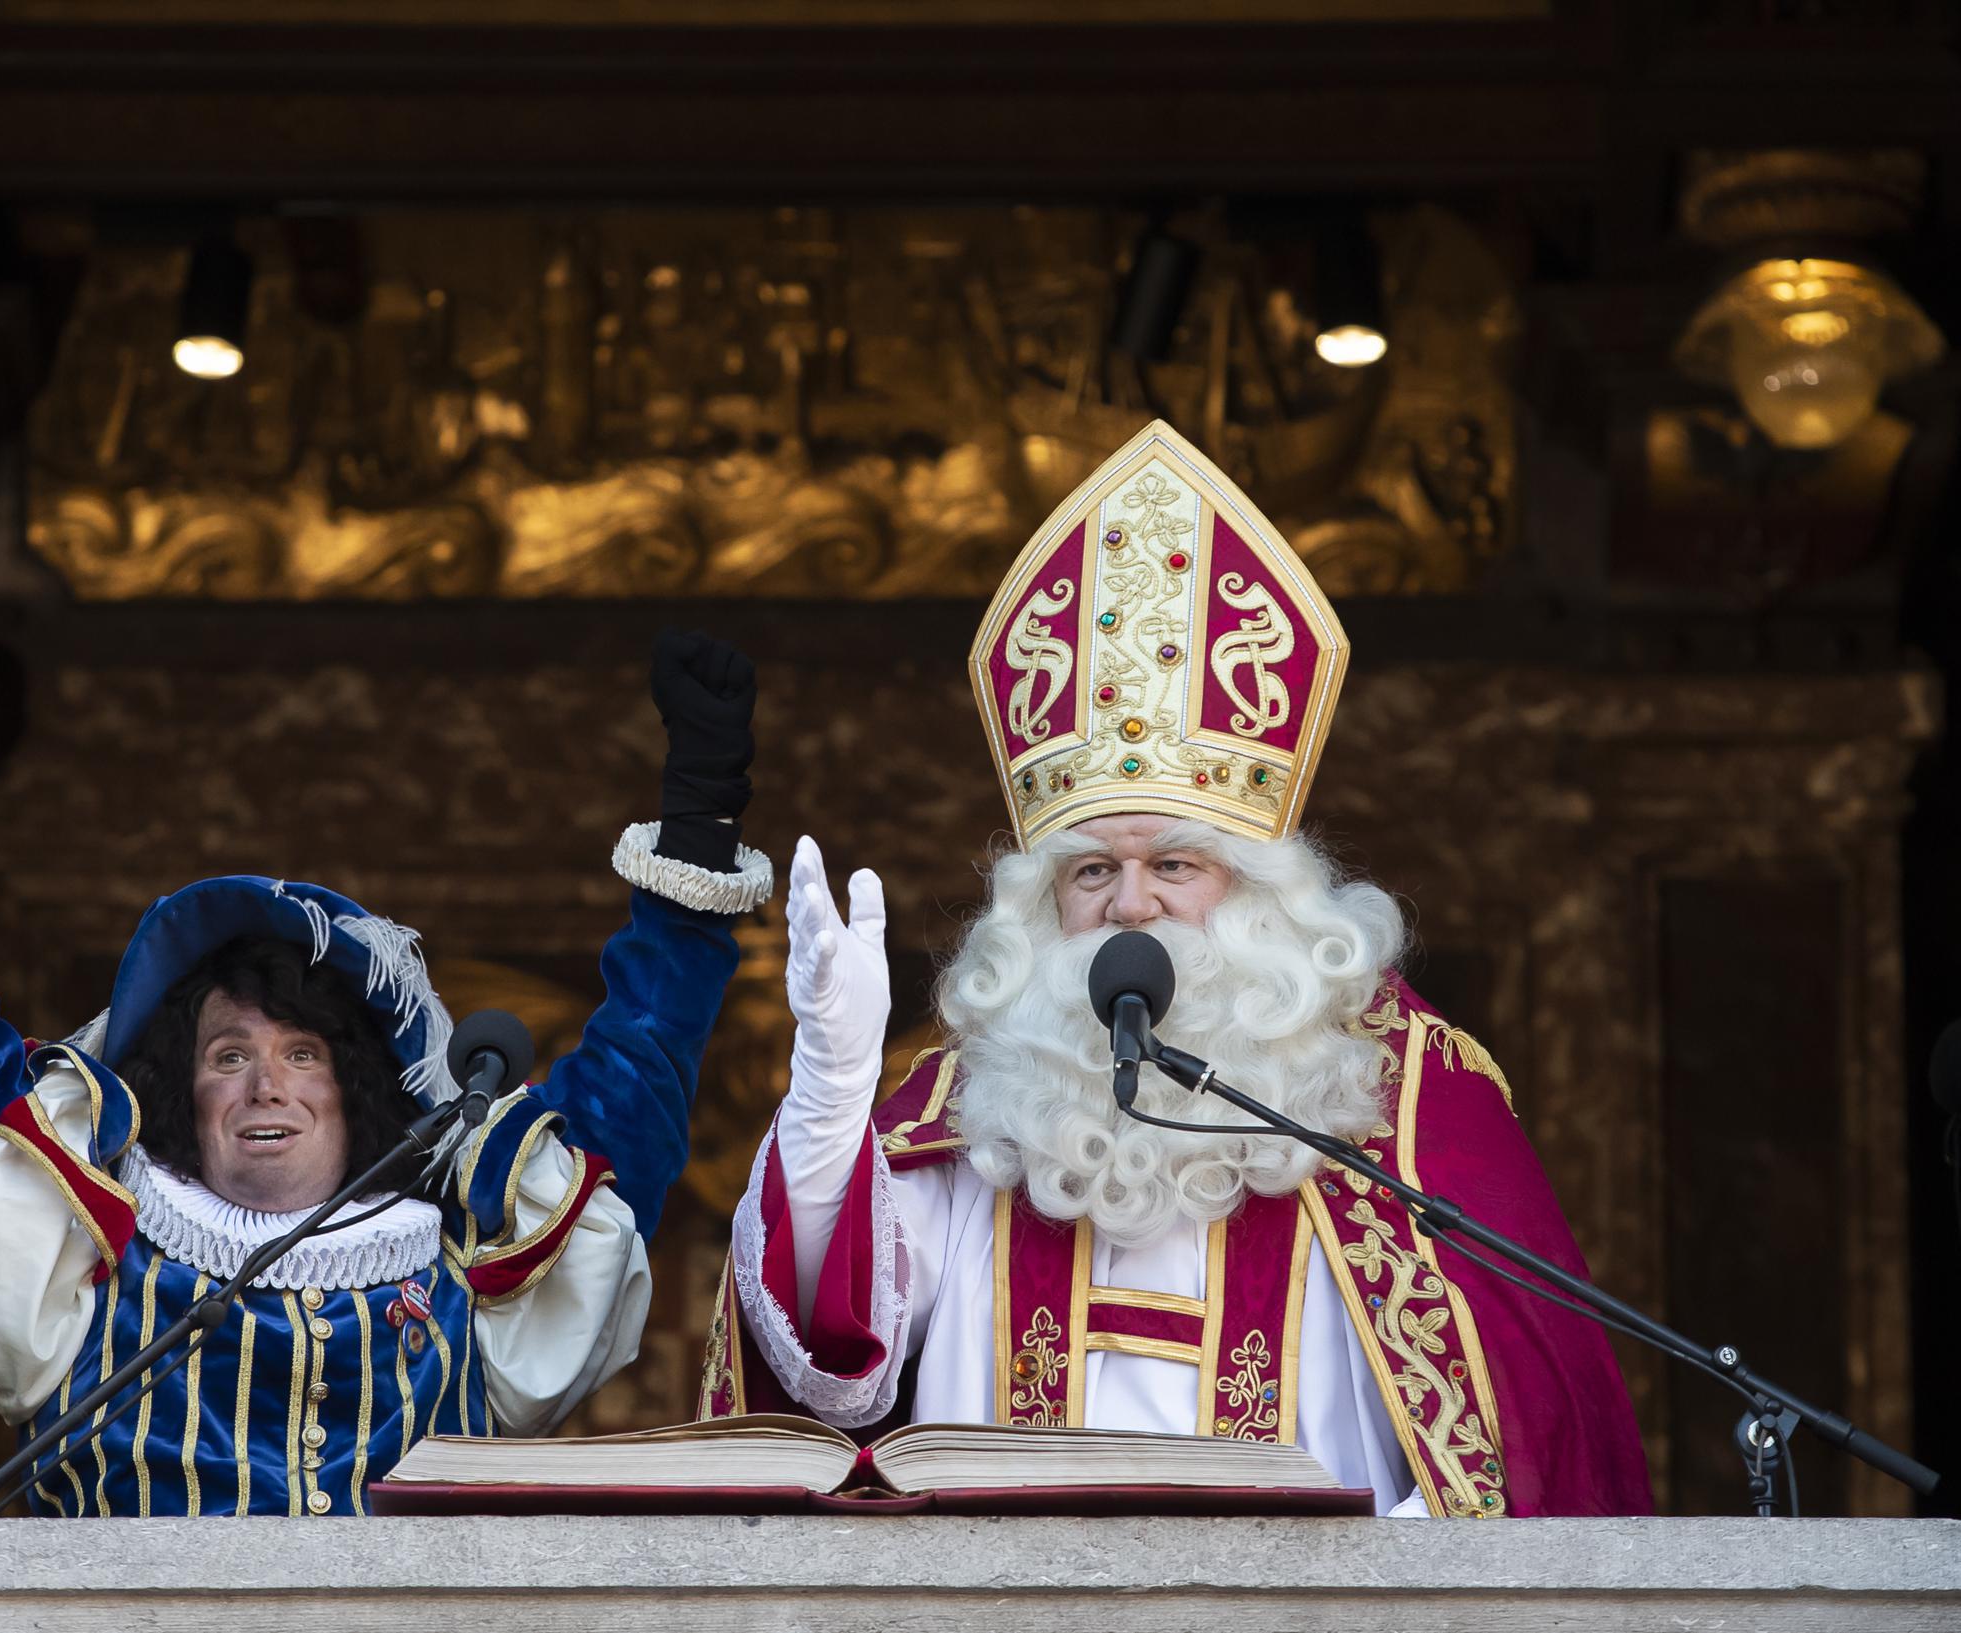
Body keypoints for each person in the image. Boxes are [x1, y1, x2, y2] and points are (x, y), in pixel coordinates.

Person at [701, 420, 1652, 1518]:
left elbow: (1513, 1444)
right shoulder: (972, 1114)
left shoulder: (1394, 1105)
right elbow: (827, 1365)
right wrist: (827, 1106)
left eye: (1176, 863)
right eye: (1091, 868)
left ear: (1260, 895)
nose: (1129, 902)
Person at [0, 566, 772, 1516]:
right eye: (228, 1056)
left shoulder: (467, 1296)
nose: (268, 1084)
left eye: (306, 1055)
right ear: (182, 1099)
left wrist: (698, 815)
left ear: (360, 1092)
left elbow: (639, 1073)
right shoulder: (82, 1290)